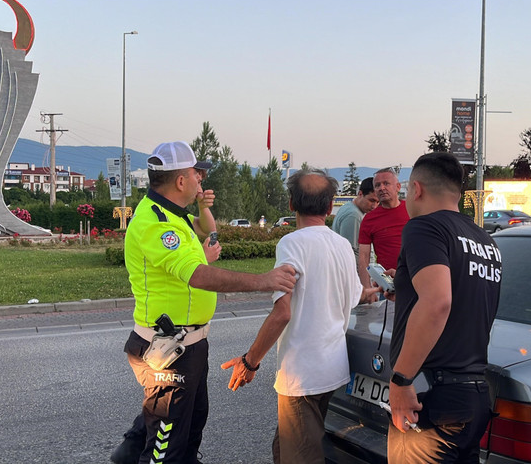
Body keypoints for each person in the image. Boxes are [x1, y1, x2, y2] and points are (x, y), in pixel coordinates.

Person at [112, 141, 297, 464]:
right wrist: (262, 280)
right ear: (180, 181)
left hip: (187, 346)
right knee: (165, 451)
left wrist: (201, 207)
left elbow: (206, 230)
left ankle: (127, 454)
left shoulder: (172, 214)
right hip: (168, 350)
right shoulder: (156, 223)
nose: (201, 181)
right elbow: (197, 275)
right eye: (197, 174)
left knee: (183, 430)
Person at [221, 169, 380, 464]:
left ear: (291, 203)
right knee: (287, 447)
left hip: (303, 376)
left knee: (301, 454)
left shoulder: (292, 244)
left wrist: (249, 361)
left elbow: (282, 312)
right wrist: (376, 291)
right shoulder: (342, 245)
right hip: (332, 370)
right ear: (330, 206)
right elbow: (357, 293)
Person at [386, 152, 502, 464]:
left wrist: (401, 381)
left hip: (432, 401)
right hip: (473, 394)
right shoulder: (485, 241)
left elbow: (438, 302)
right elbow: (464, 299)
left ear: (416, 189)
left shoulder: (424, 227)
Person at [357, 167, 410, 286]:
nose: (382, 188)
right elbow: (363, 257)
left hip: (415, 280)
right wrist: (367, 288)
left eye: (386, 183)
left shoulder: (412, 210)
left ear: (398, 187)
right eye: (377, 185)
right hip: (387, 284)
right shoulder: (369, 220)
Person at [331, 177, 379, 262]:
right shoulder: (354, 216)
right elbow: (352, 253)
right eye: (372, 200)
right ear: (360, 194)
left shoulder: (350, 208)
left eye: (378, 202)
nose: (374, 206)